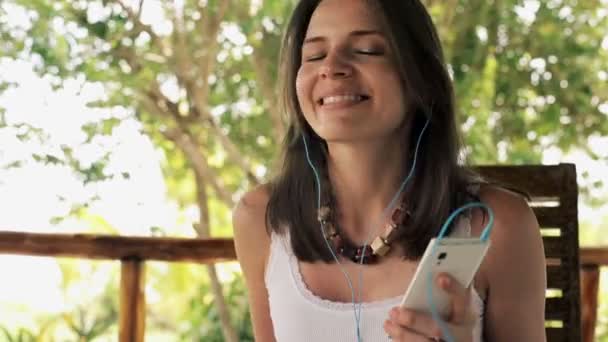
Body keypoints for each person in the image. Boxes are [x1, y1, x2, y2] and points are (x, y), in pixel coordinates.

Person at [232, 0, 546, 341]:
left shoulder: (500, 226)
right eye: (315, 56)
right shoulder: (260, 219)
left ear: (420, 78)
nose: (332, 67)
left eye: (366, 50)